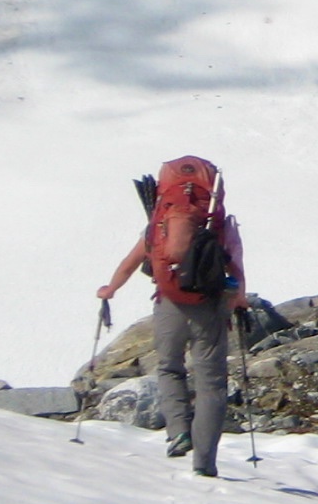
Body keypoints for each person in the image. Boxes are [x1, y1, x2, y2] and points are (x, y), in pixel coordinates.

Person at [99, 156, 248, 478]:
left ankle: (178, 430)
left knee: (169, 367)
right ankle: (204, 463)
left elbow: (130, 262)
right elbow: (235, 267)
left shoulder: (160, 220)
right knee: (211, 386)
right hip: (208, 308)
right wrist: (238, 302)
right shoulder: (217, 220)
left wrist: (109, 290)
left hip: (169, 303)